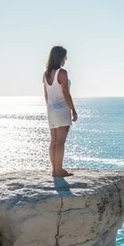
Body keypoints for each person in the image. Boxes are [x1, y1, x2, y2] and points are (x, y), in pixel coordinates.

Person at [43, 45, 77, 177]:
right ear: (60, 57)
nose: (66, 58)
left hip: (51, 110)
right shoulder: (62, 73)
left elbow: (46, 95)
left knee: (54, 141)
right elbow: (66, 93)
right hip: (62, 110)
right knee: (61, 142)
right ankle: (59, 170)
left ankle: (54, 170)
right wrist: (73, 110)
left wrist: (50, 108)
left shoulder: (46, 74)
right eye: (65, 56)